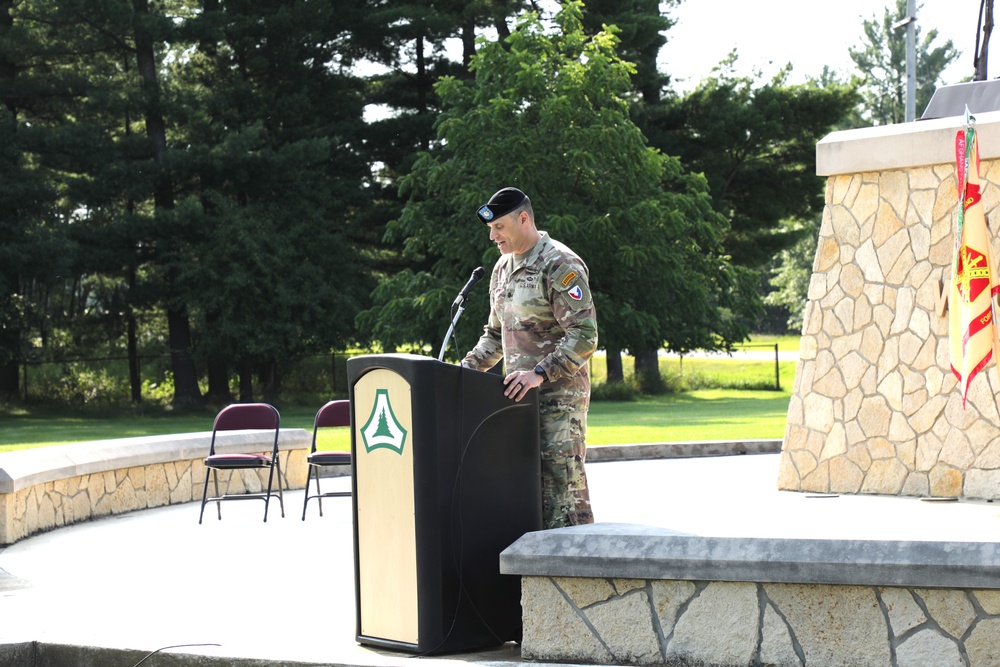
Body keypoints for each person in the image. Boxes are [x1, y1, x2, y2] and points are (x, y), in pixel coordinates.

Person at [461, 187, 598, 528]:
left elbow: (584, 334)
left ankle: (573, 575)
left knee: (561, 493)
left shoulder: (560, 264)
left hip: (558, 401)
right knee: (525, 492)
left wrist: (539, 372)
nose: (493, 236)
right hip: (516, 401)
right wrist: (460, 373)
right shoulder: (502, 268)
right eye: (491, 230)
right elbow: (495, 336)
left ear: (524, 219)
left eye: (500, 228)